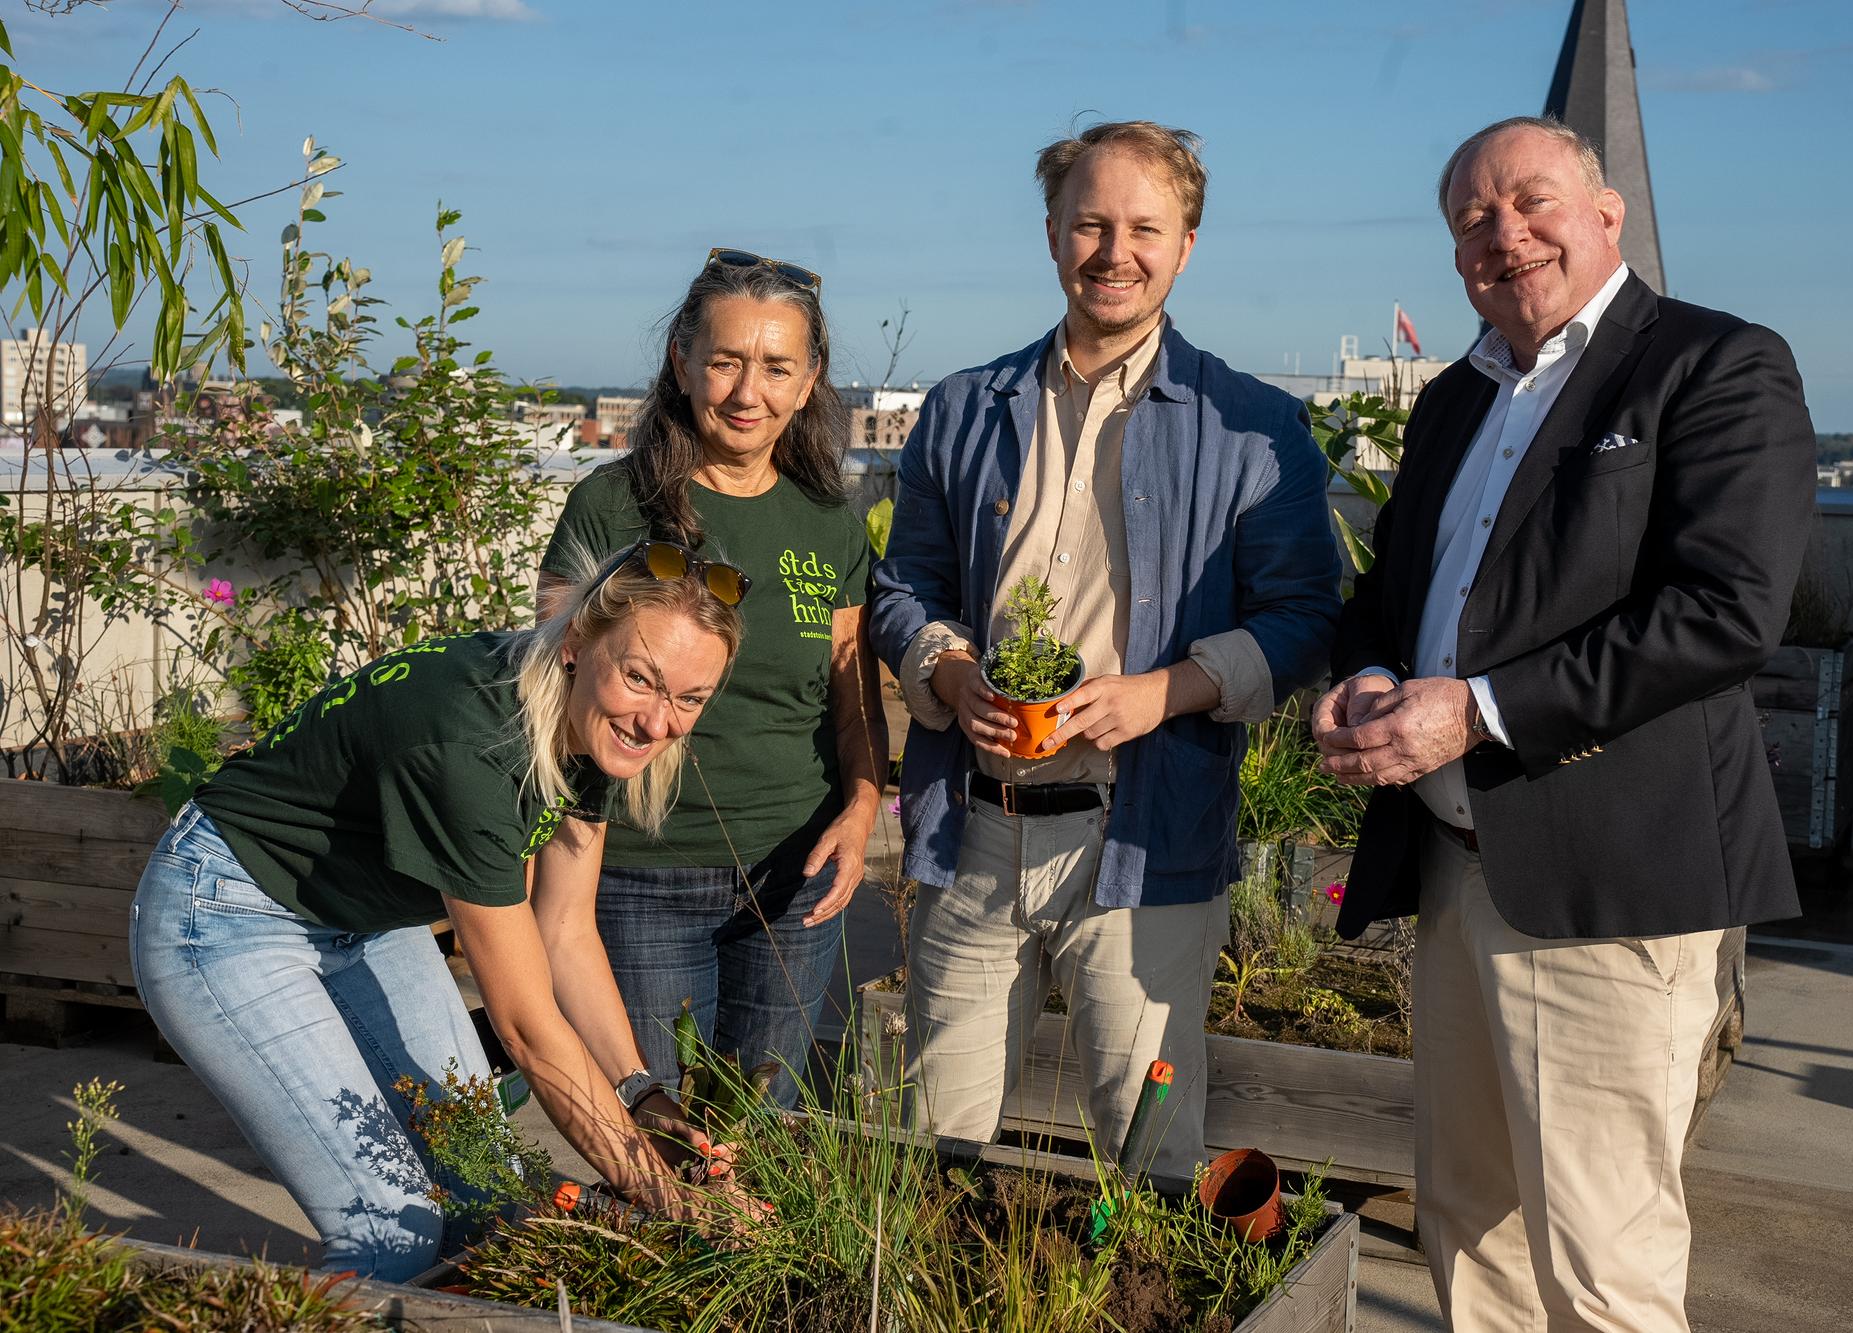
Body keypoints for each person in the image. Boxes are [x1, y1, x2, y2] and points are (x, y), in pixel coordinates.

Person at [1312, 116, 1815, 1332]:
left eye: (1529, 201)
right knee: (1465, 1225)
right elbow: (1386, 592)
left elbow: (1725, 611)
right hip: (1453, 871)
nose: (1504, 234)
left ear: (1604, 214)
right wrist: (1367, 672)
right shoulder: (1448, 400)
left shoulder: (1712, 365)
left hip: (1606, 879)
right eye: (1472, 220)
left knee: (1600, 1255)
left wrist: (1473, 713)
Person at [870, 120, 1341, 1180]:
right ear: (1049, 234)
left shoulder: (1252, 427)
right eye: (1090, 223)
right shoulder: (961, 409)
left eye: (1143, 227)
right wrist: (947, 671)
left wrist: (1167, 691)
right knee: (928, 1147)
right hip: (974, 834)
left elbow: (1307, 611)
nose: (1112, 250)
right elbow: (903, 587)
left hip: (1143, 836)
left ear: (1184, 246)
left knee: (1147, 1155)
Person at [130, 544, 748, 1280]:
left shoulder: (591, 726)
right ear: (580, 642)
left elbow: (566, 930)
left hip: (364, 918)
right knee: (394, 1227)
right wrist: (663, 1196)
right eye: (640, 679)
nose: (657, 722)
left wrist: (643, 1098)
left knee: (482, 1188)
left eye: (690, 697)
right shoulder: (474, 747)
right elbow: (526, 1028)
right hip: (230, 910)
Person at [541, 250, 886, 1110]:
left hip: (794, 877)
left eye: (776, 367)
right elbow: (553, 691)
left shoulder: (828, 524)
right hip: (639, 873)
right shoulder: (611, 508)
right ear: (682, 362)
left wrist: (863, 804)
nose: (747, 392)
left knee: (763, 1131)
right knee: (651, 1123)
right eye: (726, 361)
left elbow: (854, 700)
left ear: (809, 383)